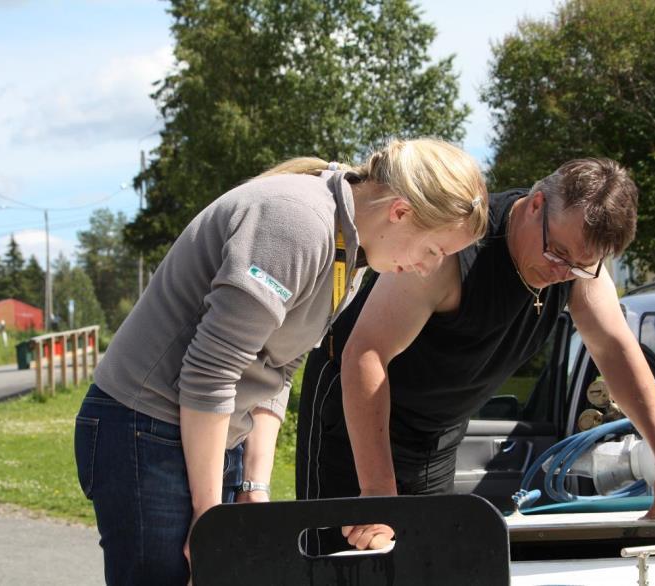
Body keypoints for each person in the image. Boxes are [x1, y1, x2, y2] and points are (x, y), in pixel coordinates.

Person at [73, 137, 488, 585]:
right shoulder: (298, 223)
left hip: (209, 432)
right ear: (401, 212)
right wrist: (209, 515)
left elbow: (278, 367)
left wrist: (254, 485)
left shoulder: (352, 255)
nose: (429, 268)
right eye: (434, 250)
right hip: (145, 427)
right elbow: (211, 369)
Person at [295, 157, 655, 552]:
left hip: (437, 434)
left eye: (580, 266)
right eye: (557, 253)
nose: (561, 272)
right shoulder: (457, 246)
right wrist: (377, 493)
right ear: (535, 205)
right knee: (344, 569)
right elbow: (365, 354)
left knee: (425, 565)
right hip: (353, 423)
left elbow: (617, 352)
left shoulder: (577, 266)